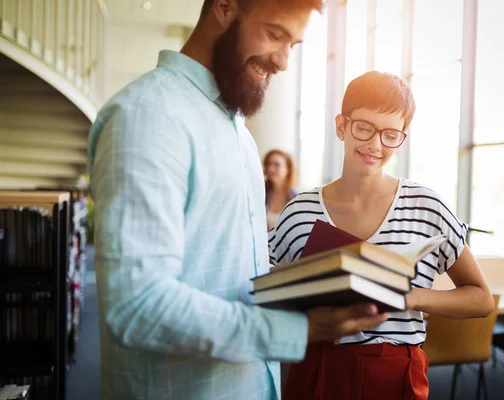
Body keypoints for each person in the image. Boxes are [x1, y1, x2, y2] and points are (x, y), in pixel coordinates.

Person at [87, 1, 389, 399]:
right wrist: (301, 330)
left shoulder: (237, 131)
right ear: (226, 7)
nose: (283, 61)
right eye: (275, 34)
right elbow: (138, 305)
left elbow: (227, 278)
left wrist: (306, 298)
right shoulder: (148, 117)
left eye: (293, 44)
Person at [268, 71, 495, 400]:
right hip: (318, 364)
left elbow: (481, 298)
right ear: (341, 126)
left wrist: (408, 298)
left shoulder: (427, 206)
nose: (375, 144)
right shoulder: (299, 211)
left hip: (395, 370)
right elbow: (275, 300)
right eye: (363, 128)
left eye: (391, 134)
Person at [264, 149, 298, 230]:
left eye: (277, 165)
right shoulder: (261, 195)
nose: (270, 169)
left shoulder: (296, 198)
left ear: (288, 169)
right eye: (268, 164)